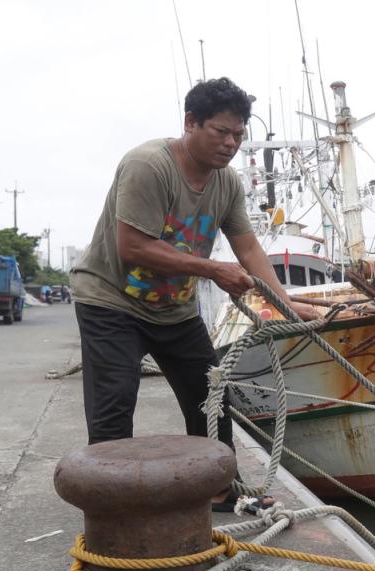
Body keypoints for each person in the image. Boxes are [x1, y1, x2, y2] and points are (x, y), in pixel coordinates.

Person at [69, 77, 316, 511]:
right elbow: (134, 246)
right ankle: (110, 512)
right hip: (110, 302)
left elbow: (248, 247)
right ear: (190, 122)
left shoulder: (227, 184)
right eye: (220, 131)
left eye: (238, 134)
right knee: (114, 406)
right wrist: (211, 269)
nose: (230, 143)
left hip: (173, 310)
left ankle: (221, 492)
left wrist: (285, 303)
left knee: (212, 398)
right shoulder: (149, 165)